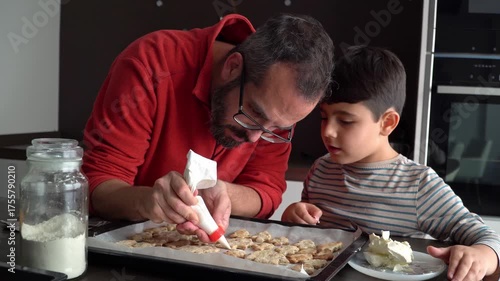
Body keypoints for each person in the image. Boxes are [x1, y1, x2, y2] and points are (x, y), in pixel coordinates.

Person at [82, 13, 334, 243]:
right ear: (232, 67)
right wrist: (148, 201)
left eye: (277, 128)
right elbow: (97, 186)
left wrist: (224, 193)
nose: (256, 137)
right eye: (254, 113)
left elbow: (267, 192)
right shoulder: (151, 63)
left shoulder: (277, 105)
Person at [281, 46, 500, 281]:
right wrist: (293, 217)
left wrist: (483, 255)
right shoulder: (321, 170)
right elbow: (305, 238)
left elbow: (485, 237)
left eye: (345, 121)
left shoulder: (419, 185)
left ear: (387, 123)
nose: (329, 131)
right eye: (324, 117)